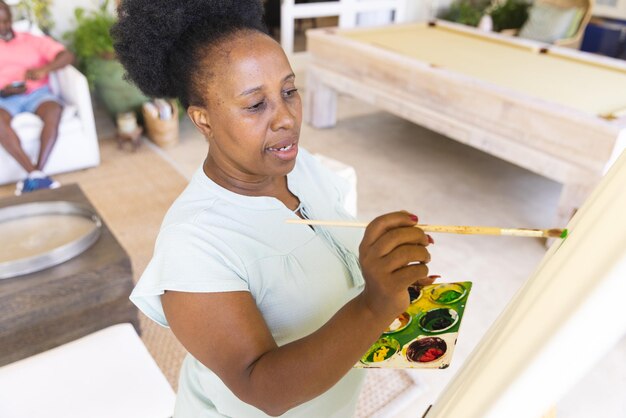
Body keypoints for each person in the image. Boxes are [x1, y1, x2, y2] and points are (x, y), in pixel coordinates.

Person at [112, 1, 437, 416]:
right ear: (203, 119)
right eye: (255, 105)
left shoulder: (306, 168)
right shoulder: (193, 243)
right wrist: (374, 303)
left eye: (288, 91)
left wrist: (392, 281)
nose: (286, 117)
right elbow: (263, 388)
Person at [0, 0, 74, 195]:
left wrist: (44, 70)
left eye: (6, 21)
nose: (4, 27)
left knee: (54, 110)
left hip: (38, 94)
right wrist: (5, 91)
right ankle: (36, 174)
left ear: (11, 18)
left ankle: (36, 174)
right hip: (5, 98)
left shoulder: (31, 40)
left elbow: (67, 56)